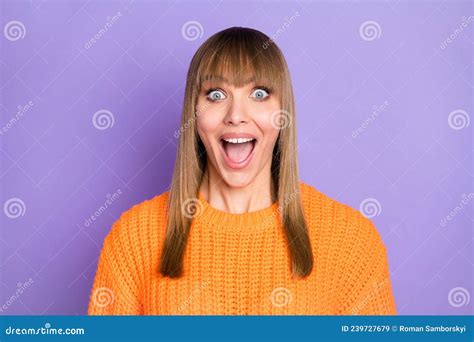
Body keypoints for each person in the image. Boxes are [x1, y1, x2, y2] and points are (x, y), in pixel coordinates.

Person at [88, 26, 397, 315]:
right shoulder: (133, 237)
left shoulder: (351, 239)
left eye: (259, 93)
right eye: (216, 95)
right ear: (194, 114)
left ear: (282, 113)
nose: (236, 115)